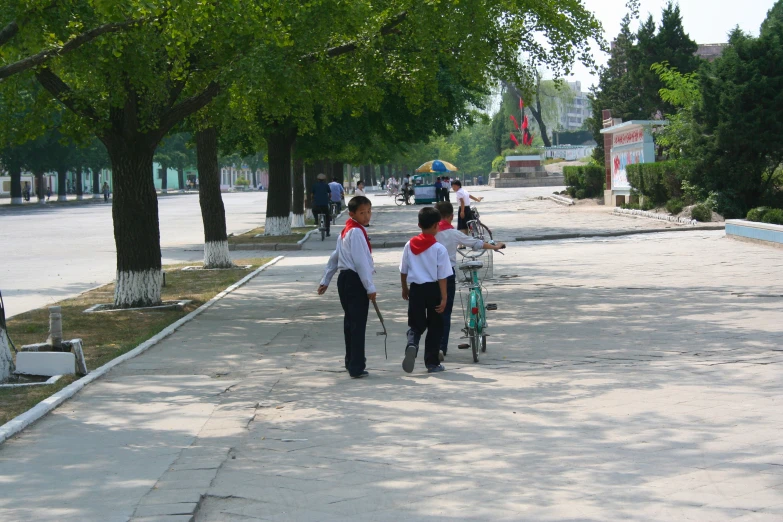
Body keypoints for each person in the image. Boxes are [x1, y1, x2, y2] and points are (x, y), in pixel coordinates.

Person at [435, 201, 505, 358]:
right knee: (445, 312)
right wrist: (495, 247)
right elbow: (476, 243)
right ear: (451, 217)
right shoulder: (453, 234)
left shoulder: (431, 233)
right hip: (447, 275)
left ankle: (432, 347)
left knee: (434, 312)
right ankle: (441, 348)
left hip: (430, 276)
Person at [318, 196, 375, 378]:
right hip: (354, 280)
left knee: (350, 323)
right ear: (352, 214)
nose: (366, 216)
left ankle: (351, 361)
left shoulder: (347, 230)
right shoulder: (356, 232)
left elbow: (335, 257)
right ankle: (357, 366)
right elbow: (360, 263)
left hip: (345, 280)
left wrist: (326, 279)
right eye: (362, 213)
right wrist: (370, 287)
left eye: (368, 212)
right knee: (357, 324)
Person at [400, 207, 452, 374]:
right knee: (436, 326)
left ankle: (412, 344)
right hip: (433, 290)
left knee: (416, 324)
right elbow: (443, 276)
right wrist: (444, 298)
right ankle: (432, 363)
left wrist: (404, 288)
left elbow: (403, 270)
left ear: (419, 225)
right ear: (438, 225)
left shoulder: (409, 245)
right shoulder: (439, 249)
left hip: (416, 289)